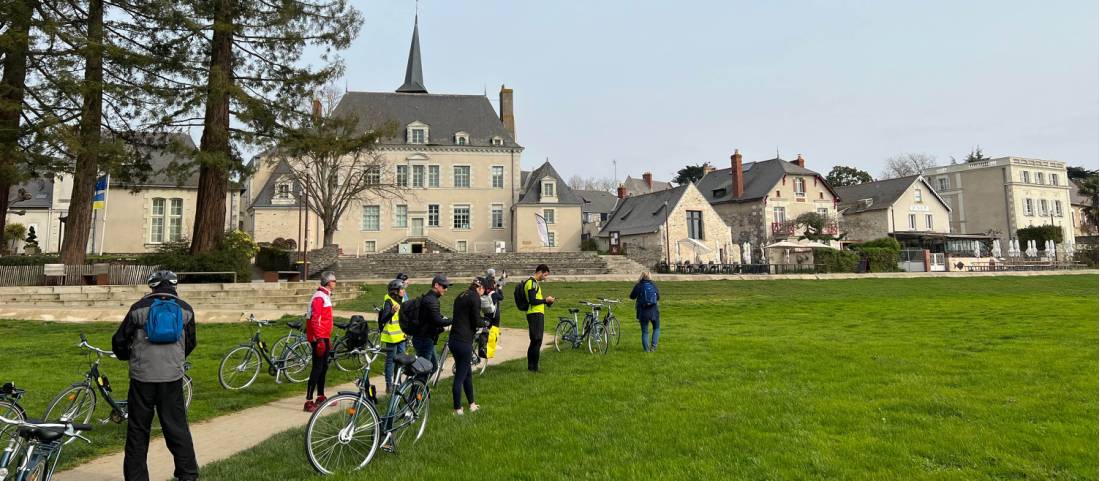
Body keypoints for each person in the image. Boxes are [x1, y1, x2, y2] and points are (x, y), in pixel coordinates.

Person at [111, 270, 198, 481]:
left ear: (152, 286)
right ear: (174, 286)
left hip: (142, 378)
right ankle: (187, 474)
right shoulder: (185, 309)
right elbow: (191, 342)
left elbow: (119, 341)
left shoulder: (138, 308)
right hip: (172, 378)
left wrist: (128, 357)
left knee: (138, 431)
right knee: (177, 427)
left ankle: (136, 477)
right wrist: (176, 360)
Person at [449, 278, 485, 415]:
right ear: (479, 288)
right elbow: (476, 320)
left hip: (454, 339)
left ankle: (472, 403)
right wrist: (485, 323)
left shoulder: (461, 294)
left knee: (466, 373)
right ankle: (457, 409)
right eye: (484, 290)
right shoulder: (475, 297)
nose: (483, 293)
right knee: (460, 375)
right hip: (463, 341)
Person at [303, 271, 336, 412]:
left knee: (324, 368)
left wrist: (326, 338)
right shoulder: (319, 297)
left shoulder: (325, 296)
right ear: (328, 282)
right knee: (317, 368)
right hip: (318, 337)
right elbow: (315, 319)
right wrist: (320, 339)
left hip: (324, 336)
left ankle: (321, 396)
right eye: (334, 281)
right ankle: (308, 400)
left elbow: (325, 320)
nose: (335, 283)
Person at [413, 275, 450, 372]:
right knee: (424, 370)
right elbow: (437, 321)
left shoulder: (428, 298)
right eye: (444, 287)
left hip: (423, 338)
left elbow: (430, 318)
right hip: (424, 339)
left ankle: (420, 386)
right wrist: (453, 320)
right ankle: (416, 386)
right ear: (436, 285)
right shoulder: (432, 300)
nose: (446, 290)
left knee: (433, 367)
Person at [523, 264, 555, 372]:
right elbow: (532, 300)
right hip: (534, 314)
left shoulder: (535, 283)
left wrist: (547, 302)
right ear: (540, 272)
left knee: (534, 341)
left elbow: (537, 300)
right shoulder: (531, 283)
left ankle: (531, 367)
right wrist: (545, 300)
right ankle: (534, 368)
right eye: (545, 275)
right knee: (537, 341)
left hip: (536, 313)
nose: (545, 278)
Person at [379, 279, 406, 394]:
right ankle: (388, 385)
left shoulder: (402, 300)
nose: (404, 291)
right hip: (391, 336)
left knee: (401, 360)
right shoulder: (388, 302)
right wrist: (391, 312)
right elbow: (383, 319)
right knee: (391, 361)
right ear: (395, 291)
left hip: (401, 336)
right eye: (402, 289)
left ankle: (397, 381)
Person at [629, 272, 660, 352]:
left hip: (643, 311)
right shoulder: (653, 285)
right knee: (656, 328)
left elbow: (632, 296)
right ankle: (653, 347)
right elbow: (658, 297)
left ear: (641, 277)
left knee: (645, 331)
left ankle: (646, 350)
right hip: (654, 310)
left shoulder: (639, 285)